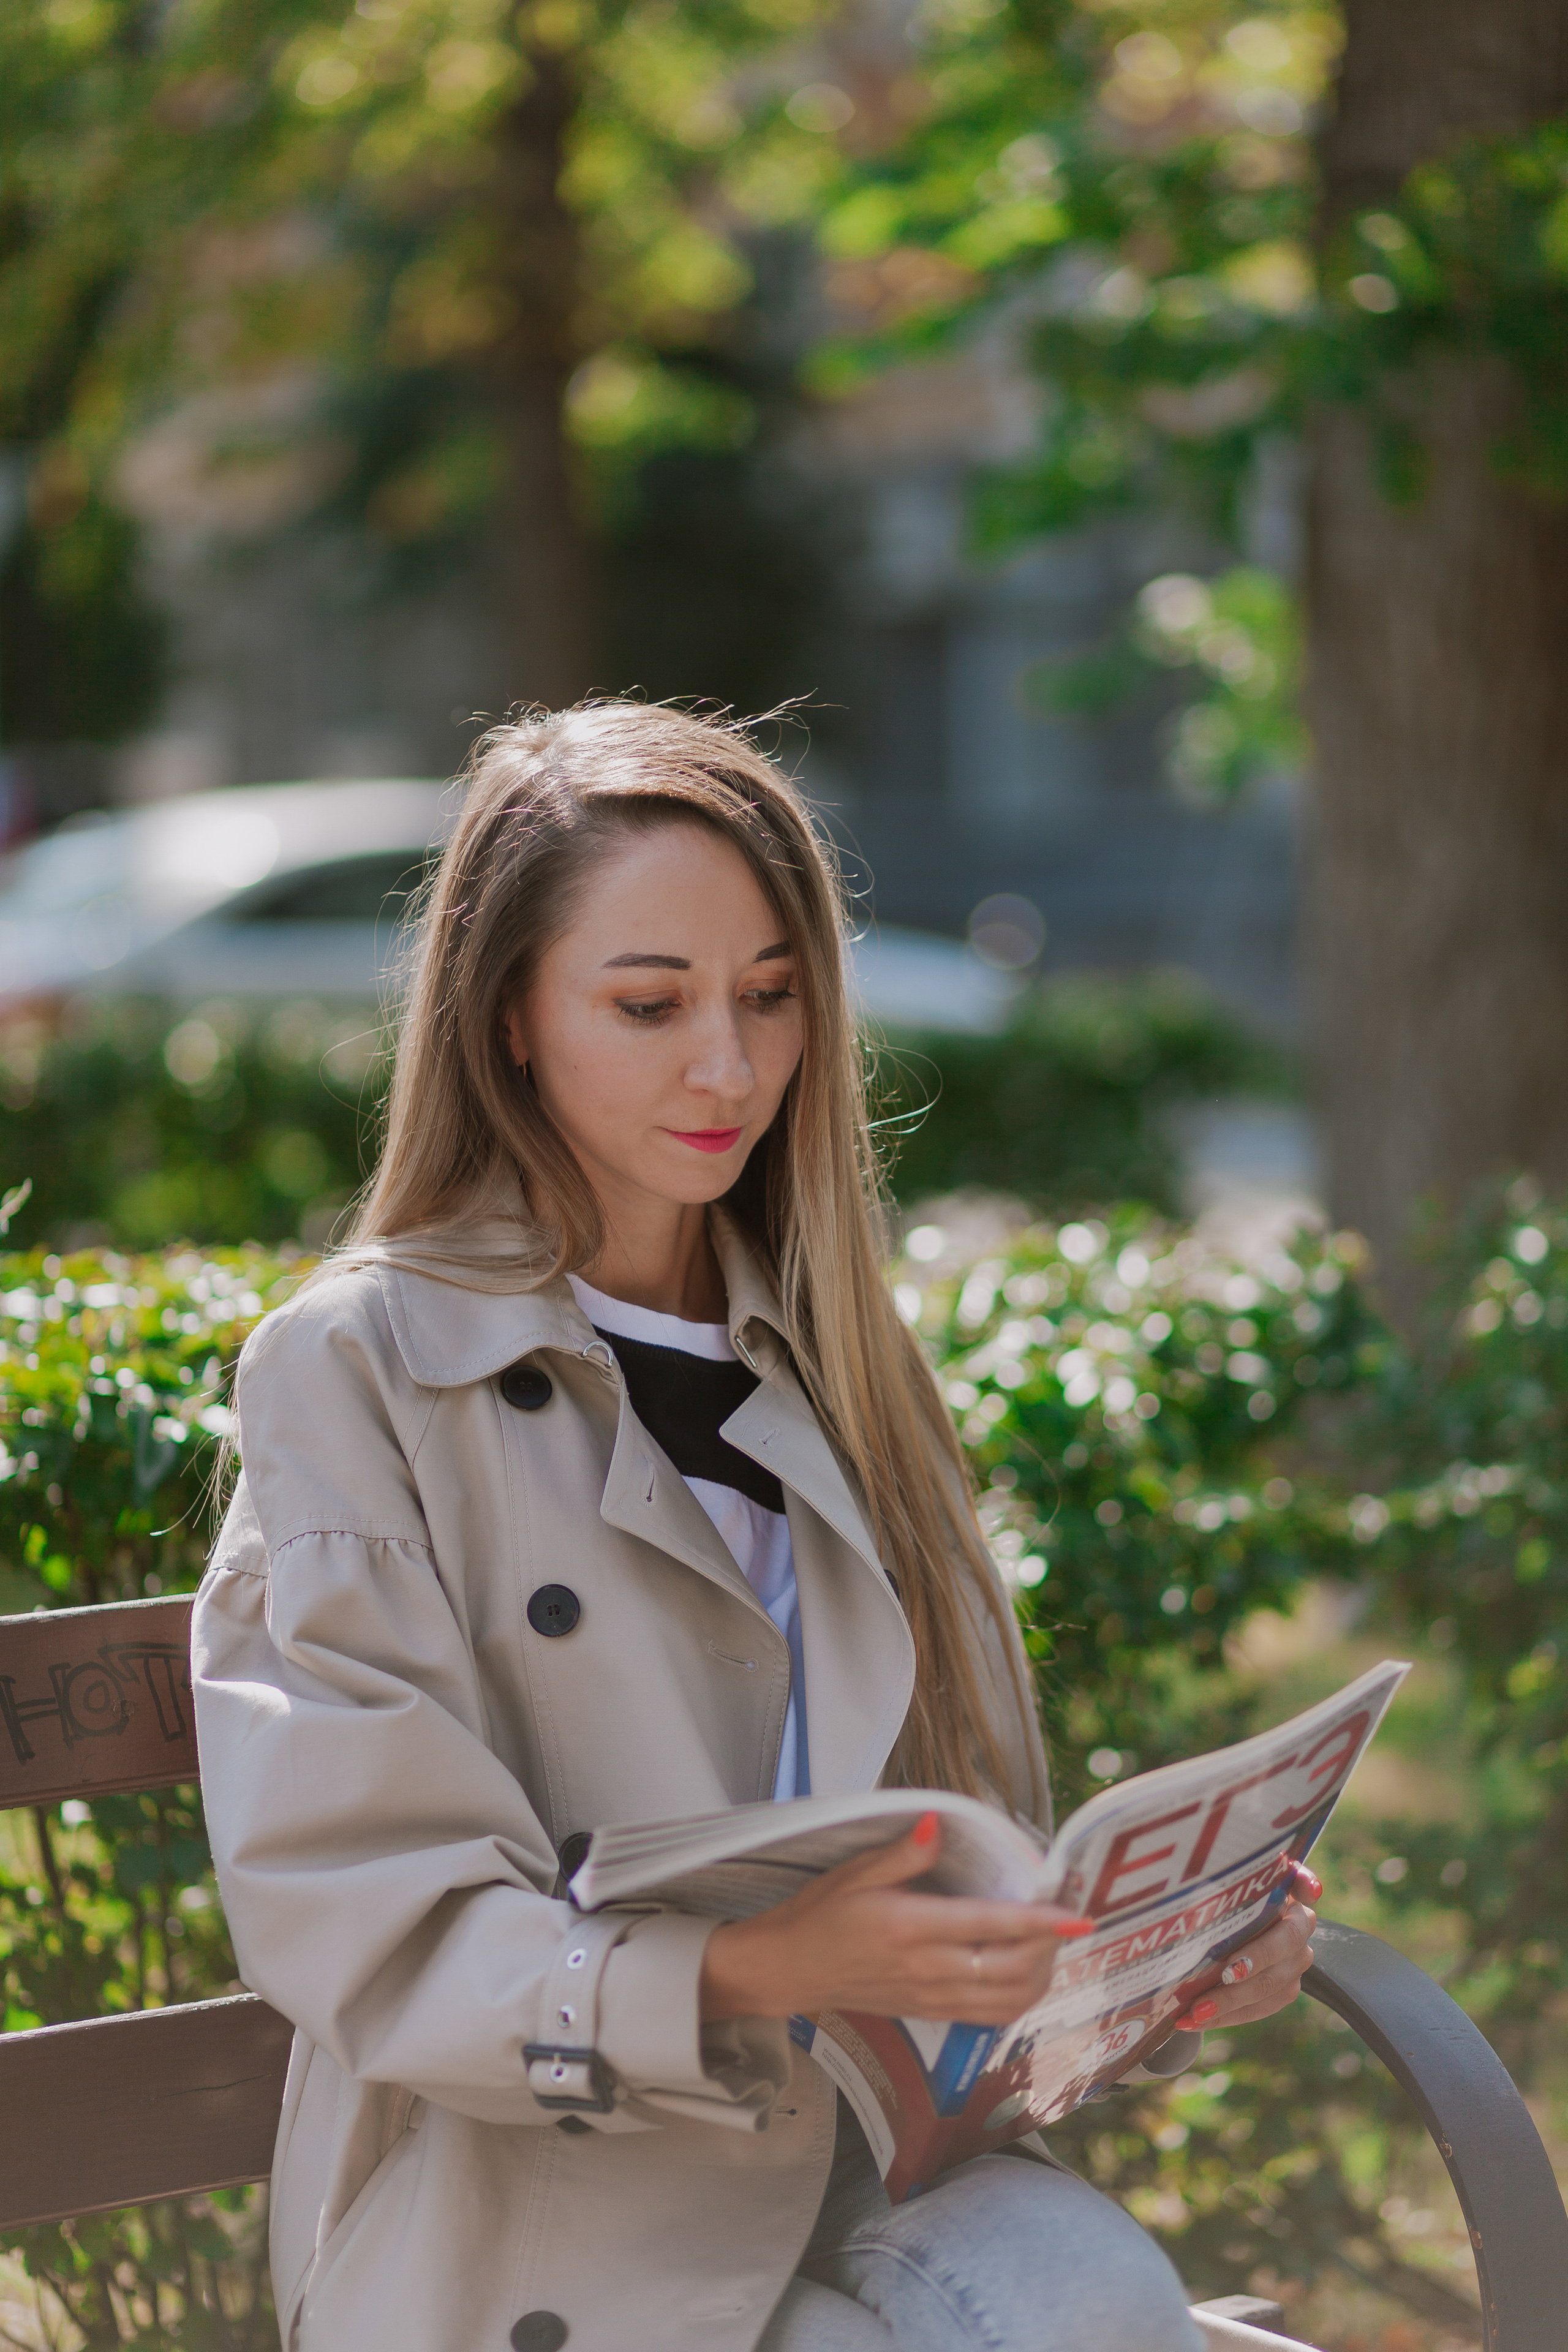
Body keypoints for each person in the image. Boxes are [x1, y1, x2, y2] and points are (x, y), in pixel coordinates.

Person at [193, 702, 1317, 2352]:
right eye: (649, 1004)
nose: (728, 1066)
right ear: (508, 1016)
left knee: (1095, 2295)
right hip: (538, 2225)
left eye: (770, 998)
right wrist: (755, 1970)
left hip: (866, 2168)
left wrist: (1152, 1972)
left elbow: (959, 1852)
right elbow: (368, 1918)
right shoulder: (363, 1366)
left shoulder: (843, 1360)